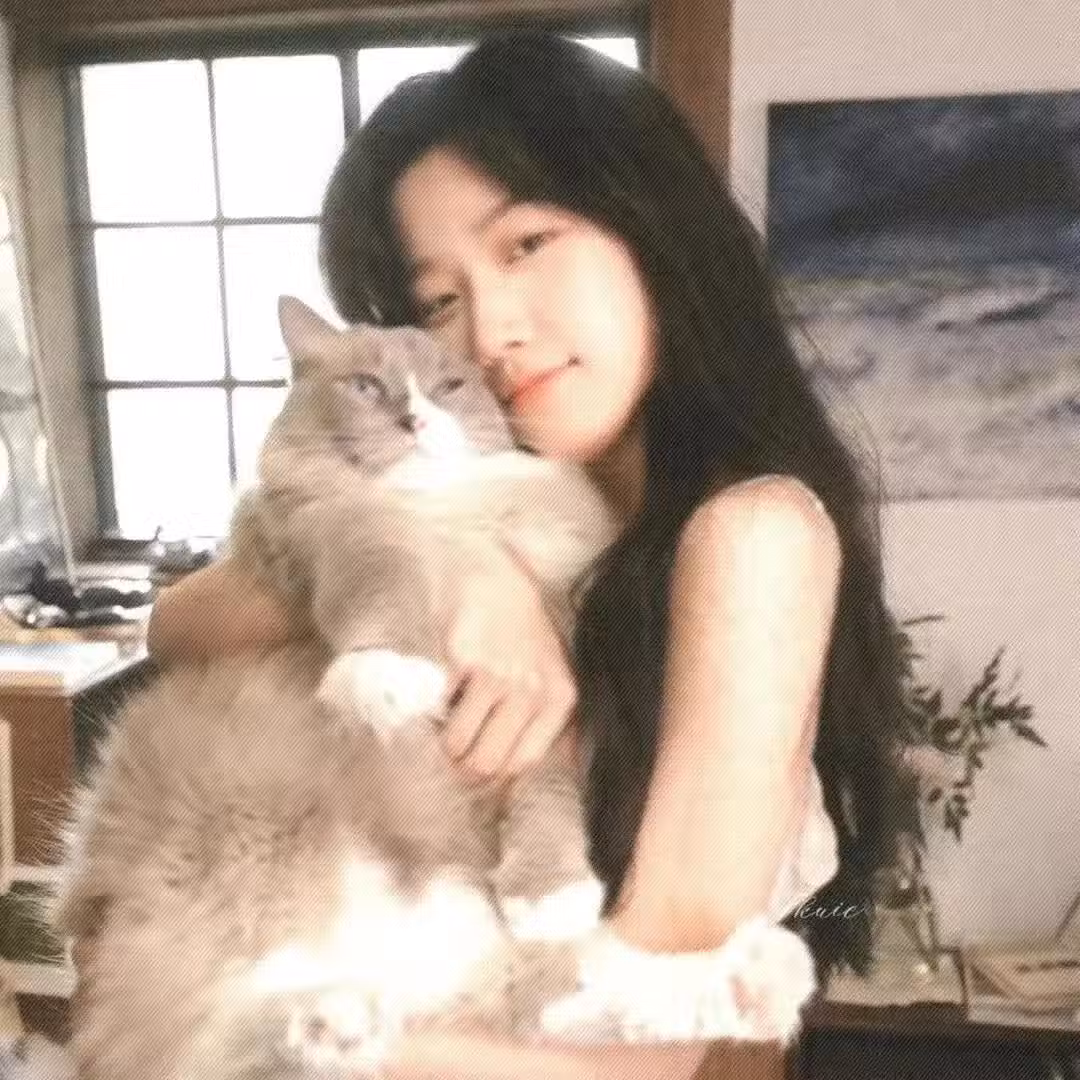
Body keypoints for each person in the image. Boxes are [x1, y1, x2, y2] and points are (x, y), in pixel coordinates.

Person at [146, 32, 919, 1079]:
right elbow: (179, 621)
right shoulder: (492, 503)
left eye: (526, 244)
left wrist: (235, 1040)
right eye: (439, 299)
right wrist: (472, 579)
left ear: (651, 225)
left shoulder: (752, 535)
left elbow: (643, 1058)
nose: (491, 333)